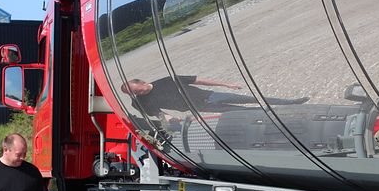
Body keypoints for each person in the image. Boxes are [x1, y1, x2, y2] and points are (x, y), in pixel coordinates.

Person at [121, 76, 309, 117]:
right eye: (134, 94)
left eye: (137, 90)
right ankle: (278, 115)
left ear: (143, 82)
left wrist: (227, 83)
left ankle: (291, 102)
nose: (138, 94)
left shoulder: (166, 80)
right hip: (203, 108)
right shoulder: (142, 102)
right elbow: (159, 114)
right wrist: (135, 100)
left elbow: (197, 80)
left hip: (211, 96)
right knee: (241, 112)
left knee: (253, 98)